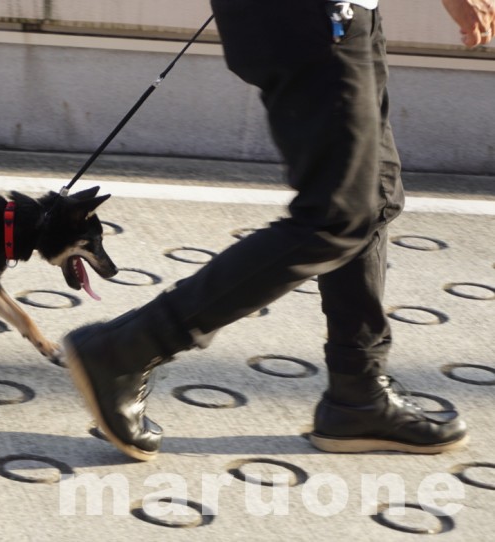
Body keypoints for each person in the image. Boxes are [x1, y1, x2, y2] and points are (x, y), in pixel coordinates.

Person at [63, 0, 494, 462]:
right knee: (337, 214)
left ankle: (358, 393)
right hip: (311, 13)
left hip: (343, 14)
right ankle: (126, 348)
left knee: (372, 198)